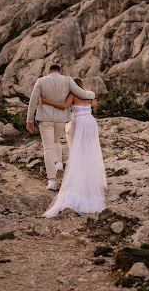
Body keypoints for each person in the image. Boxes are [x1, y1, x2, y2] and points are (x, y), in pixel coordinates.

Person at [40, 77, 107, 218]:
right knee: (89, 150)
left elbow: (64, 106)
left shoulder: (73, 94)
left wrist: (47, 102)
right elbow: (92, 103)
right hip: (90, 122)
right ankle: (90, 182)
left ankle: (78, 181)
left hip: (80, 122)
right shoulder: (87, 94)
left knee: (78, 152)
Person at [26, 65, 95, 191]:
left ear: (49, 72)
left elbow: (33, 101)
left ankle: (51, 180)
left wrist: (29, 120)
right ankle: (58, 163)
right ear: (60, 71)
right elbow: (83, 93)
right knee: (56, 140)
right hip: (60, 119)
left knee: (48, 148)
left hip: (45, 118)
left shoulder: (41, 81)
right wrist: (92, 94)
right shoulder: (67, 80)